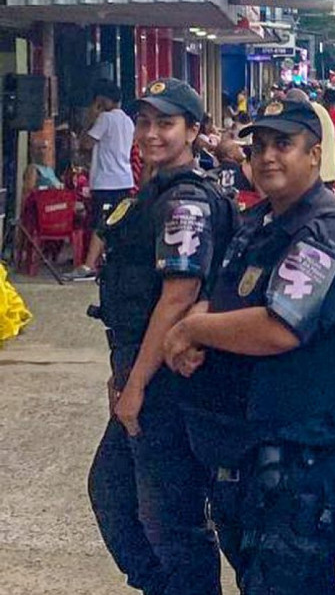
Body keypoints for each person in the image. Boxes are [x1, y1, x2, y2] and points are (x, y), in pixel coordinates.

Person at [164, 97, 335, 594]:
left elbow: (280, 328)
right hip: (250, 467)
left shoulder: (327, 233)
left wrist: (194, 331)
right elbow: (219, 295)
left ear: (315, 154)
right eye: (258, 146)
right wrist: (199, 319)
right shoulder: (262, 224)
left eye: (284, 144)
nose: (267, 157)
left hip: (299, 474)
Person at [88, 78, 234, 595]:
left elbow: (177, 297)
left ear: (194, 131)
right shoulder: (153, 193)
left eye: (166, 123)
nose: (151, 133)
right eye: (145, 122)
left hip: (167, 382)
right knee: (115, 496)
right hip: (138, 369)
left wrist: (136, 386)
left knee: (169, 520)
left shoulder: (185, 202)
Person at [67, 80, 136, 281]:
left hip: (106, 181)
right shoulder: (128, 120)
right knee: (117, 223)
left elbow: (86, 143)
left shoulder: (105, 119)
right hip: (124, 179)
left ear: (102, 100)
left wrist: (90, 117)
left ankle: (89, 265)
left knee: (101, 223)